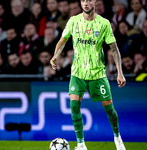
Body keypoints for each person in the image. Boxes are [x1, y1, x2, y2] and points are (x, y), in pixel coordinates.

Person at [50, 0, 126, 150]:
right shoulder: (73, 21)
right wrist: (54, 56)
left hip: (97, 74)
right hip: (77, 73)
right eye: (83, 0)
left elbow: (114, 48)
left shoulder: (104, 24)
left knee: (110, 110)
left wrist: (120, 73)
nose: (85, 3)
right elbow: (63, 40)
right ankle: (81, 144)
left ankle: (117, 138)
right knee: (73, 106)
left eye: (89, 0)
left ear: (95, 2)